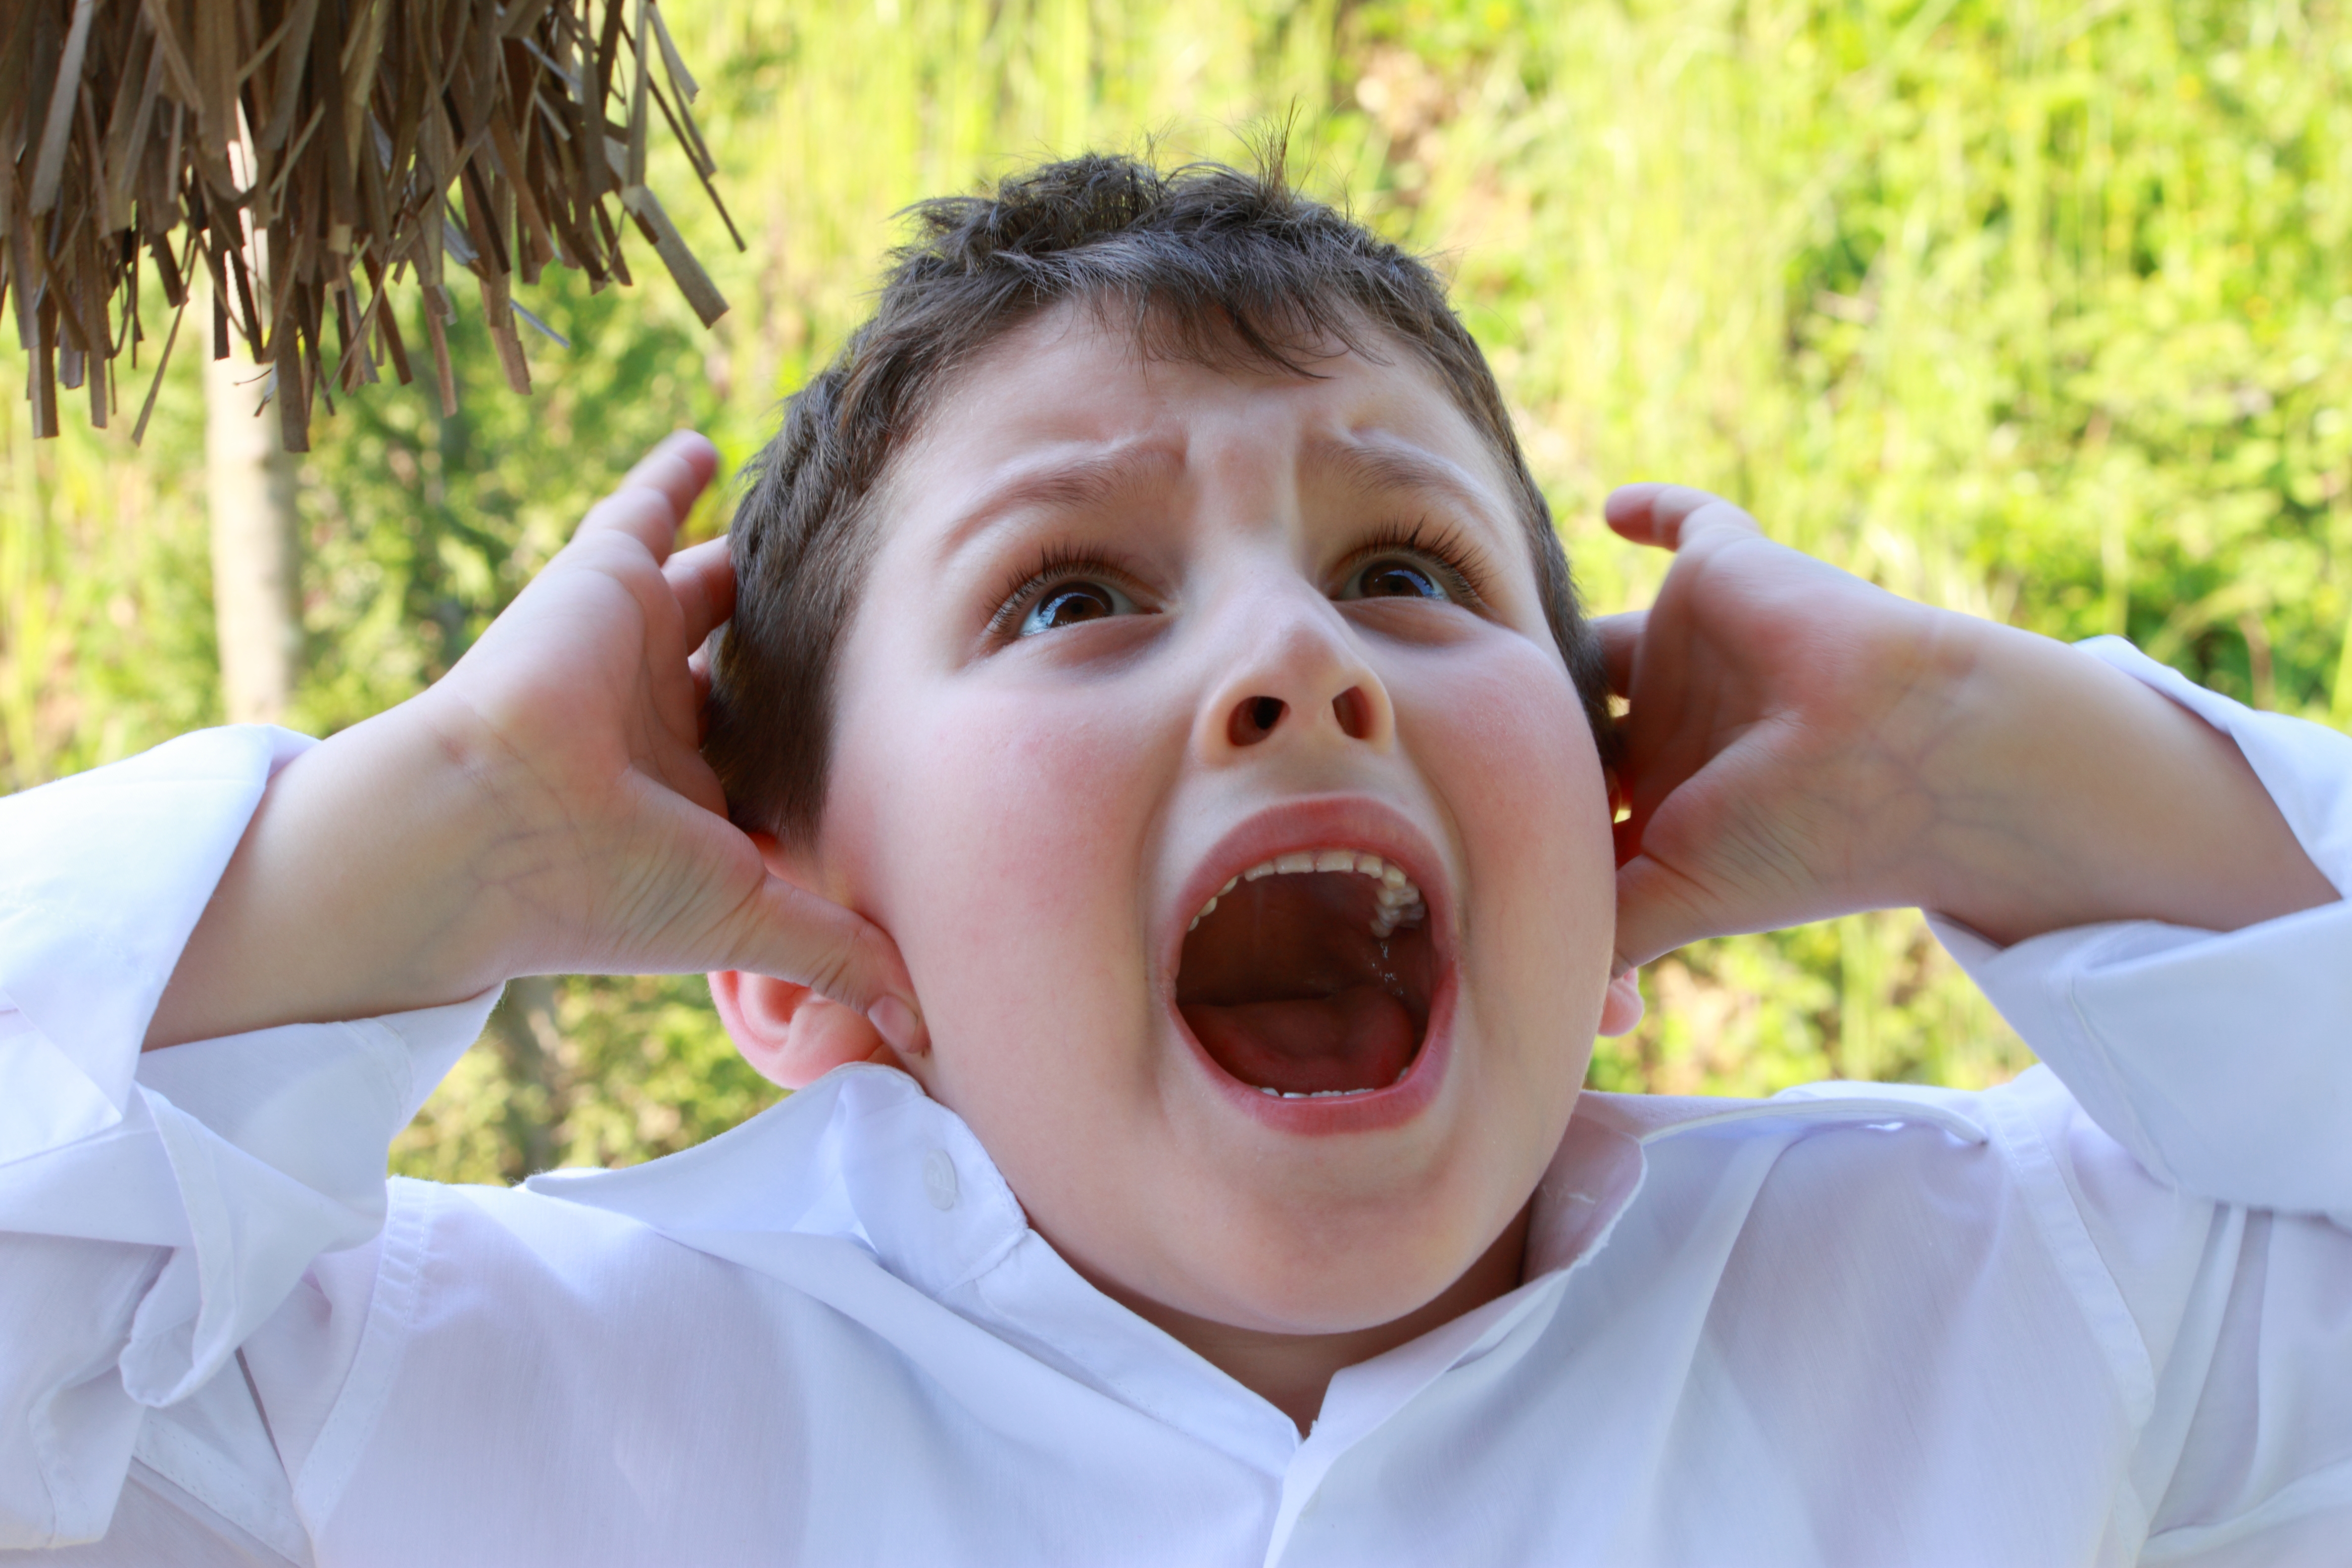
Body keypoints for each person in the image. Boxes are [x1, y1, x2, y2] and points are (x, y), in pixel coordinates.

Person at [2, 154, 2348, 1566]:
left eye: (1413, 573)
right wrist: (402, 859)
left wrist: (2008, 762)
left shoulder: (2010, 1303)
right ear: (800, 934)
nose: (1296, 663)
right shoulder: (470, 1397)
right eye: (1070, 597)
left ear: (1615, 862)